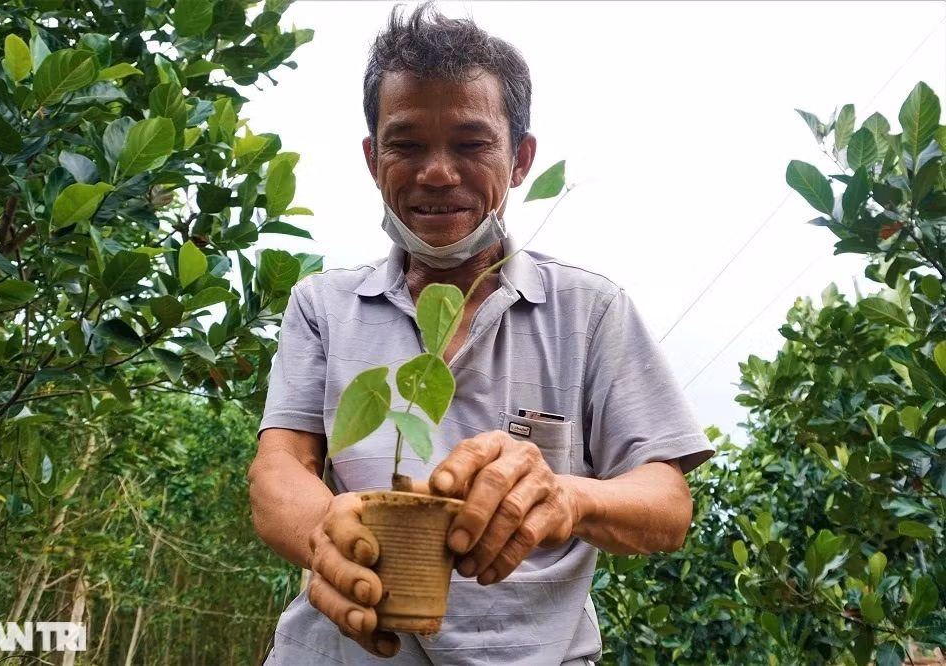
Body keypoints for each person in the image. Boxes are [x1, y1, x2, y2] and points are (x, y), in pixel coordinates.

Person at [248, 3, 715, 664]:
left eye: (471, 143)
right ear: (372, 157)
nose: (437, 172)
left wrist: (567, 496)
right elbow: (279, 468)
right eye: (407, 144)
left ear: (521, 158)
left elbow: (667, 502)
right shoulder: (323, 305)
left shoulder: (591, 311)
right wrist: (329, 533)